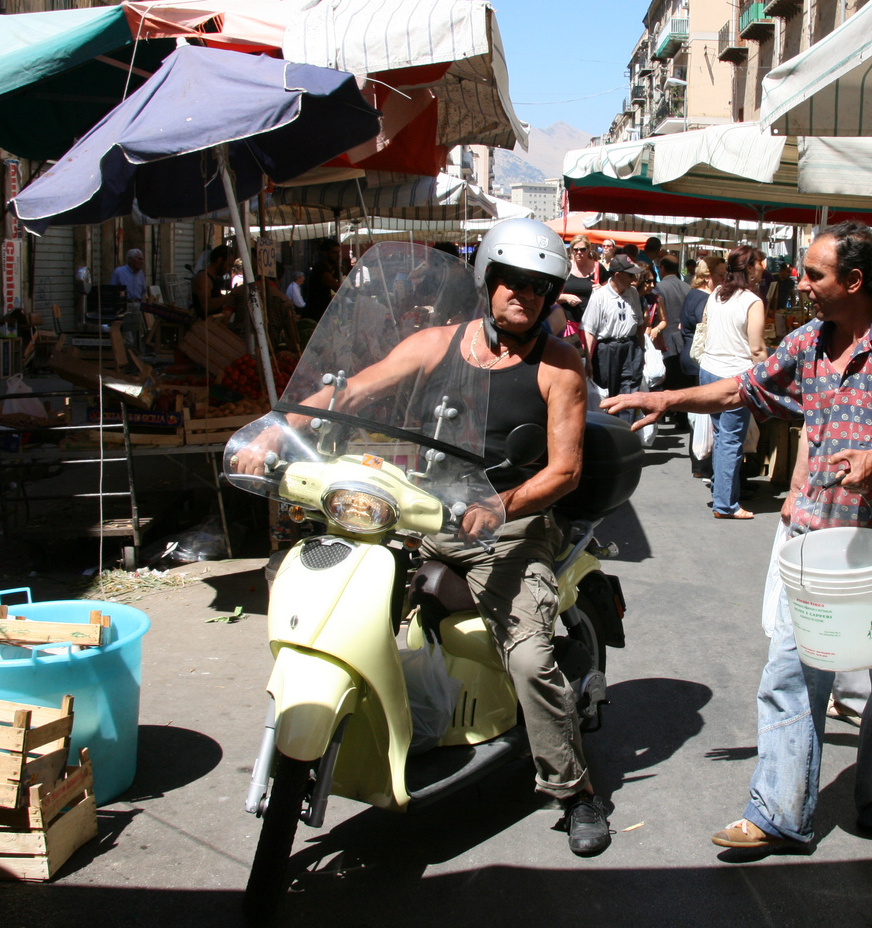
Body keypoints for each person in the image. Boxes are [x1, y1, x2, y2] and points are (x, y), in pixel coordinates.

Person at [233, 220, 608, 855]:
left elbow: (565, 470)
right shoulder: (437, 342)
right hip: (419, 508)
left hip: (506, 527)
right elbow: (351, 390)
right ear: (488, 281)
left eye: (539, 287)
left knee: (525, 654)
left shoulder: (560, 368)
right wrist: (278, 428)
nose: (524, 295)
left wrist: (502, 503)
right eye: (512, 282)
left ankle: (572, 790)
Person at [603, 221, 872, 858]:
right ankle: (777, 811)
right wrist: (668, 398)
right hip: (819, 547)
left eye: (814, 275)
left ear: (853, 280)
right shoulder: (806, 342)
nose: (800, 283)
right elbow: (742, 388)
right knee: (792, 672)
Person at [697, 246, 768, 519]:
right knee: (730, 441)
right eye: (760, 263)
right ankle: (725, 504)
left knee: (721, 436)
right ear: (749, 268)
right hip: (734, 376)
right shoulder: (752, 301)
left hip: (709, 371)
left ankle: (721, 493)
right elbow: (758, 350)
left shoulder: (716, 293)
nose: (762, 267)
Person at [680, 255, 724, 481]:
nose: (724, 280)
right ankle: (702, 463)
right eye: (720, 276)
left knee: (697, 414)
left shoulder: (693, 294)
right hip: (699, 358)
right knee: (701, 414)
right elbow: (707, 327)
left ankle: (699, 462)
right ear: (708, 277)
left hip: (689, 356)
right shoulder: (704, 298)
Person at [582, 254, 646, 401]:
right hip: (608, 350)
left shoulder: (633, 293)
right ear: (618, 275)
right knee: (607, 393)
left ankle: (626, 424)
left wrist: (642, 351)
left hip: (630, 347)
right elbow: (589, 330)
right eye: (630, 275)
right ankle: (610, 423)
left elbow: (640, 325)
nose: (634, 280)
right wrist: (589, 359)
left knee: (630, 392)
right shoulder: (600, 296)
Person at [655, 255, 691, 426]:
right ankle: (682, 416)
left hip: (665, 338)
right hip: (684, 338)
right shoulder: (687, 287)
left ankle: (662, 413)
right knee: (683, 380)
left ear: (662, 267)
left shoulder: (659, 287)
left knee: (665, 377)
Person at [559, 237, 599, 324]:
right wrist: (566, 297)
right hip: (568, 324)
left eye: (582, 249)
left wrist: (602, 288)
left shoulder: (597, 268)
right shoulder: (566, 267)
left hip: (591, 324)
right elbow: (552, 295)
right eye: (575, 250)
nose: (579, 252)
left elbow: (611, 292)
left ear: (588, 249)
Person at [192, 245, 234, 320]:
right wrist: (229, 297)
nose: (229, 269)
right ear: (219, 260)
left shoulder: (215, 278)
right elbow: (206, 305)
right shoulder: (203, 278)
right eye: (228, 265)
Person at [304, 241, 343, 321]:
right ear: (325, 253)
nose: (338, 256)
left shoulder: (332, 269)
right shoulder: (321, 268)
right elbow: (335, 286)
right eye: (334, 253)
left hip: (324, 314)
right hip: (315, 314)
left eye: (338, 252)